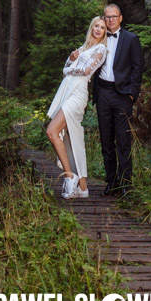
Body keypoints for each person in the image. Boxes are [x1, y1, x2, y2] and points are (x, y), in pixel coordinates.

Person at [46, 17, 108, 200]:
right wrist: (70, 60)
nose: (98, 29)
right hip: (67, 91)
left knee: (52, 131)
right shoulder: (82, 49)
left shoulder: (101, 49)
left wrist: (69, 69)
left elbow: (86, 71)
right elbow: (66, 67)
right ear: (92, 27)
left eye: (102, 28)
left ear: (105, 32)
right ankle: (82, 187)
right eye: (96, 26)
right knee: (73, 138)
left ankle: (70, 176)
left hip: (78, 93)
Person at [92, 3, 143, 197]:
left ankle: (125, 184)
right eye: (107, 17)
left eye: (114, 16)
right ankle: (111, 182)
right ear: (104, 19)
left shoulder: (131, 39)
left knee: (123, 140)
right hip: (103, 93)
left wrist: (132, 93)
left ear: (120, 18)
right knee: (106, 141)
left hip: (122, 95)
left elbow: (138, 68)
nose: (110, 19)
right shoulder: (99, 37)